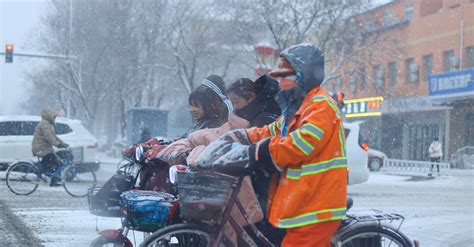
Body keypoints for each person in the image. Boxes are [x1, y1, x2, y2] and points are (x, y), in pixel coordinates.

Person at [210, 43, 348, 247]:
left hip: (317, 205)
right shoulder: (298, 107)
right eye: (280, 78)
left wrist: (258, 152)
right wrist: (241, 137)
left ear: (303, 76)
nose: (281, 83)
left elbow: (299, 145)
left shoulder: (321, 106)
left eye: (286, 77)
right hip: (303, 202)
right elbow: (271, 130)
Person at [32, 108, 69, 186]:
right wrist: (57, 144)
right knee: (56, 161)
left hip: (44, 148)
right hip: (41, 148)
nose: (55, 118)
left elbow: (54, 136)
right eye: (54, 116)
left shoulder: (47, 124)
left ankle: (51, 178)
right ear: (49, 116)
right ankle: (41, 171)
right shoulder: (45, 124)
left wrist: (63, 143)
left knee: (54, 161)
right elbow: (49, 137)